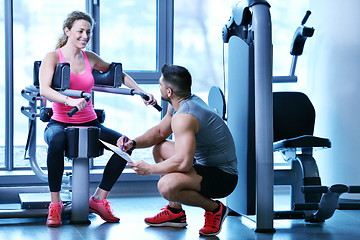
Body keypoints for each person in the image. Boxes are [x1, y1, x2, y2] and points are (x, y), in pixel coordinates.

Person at [39, 11, 157, 227]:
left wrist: (141, 92)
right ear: (67, 31)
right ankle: (55, 205)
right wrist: (69, 100)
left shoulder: (89, 57)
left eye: (88, 32)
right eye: (80, 31)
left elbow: (119, 75)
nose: (85, 36)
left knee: (126, 145)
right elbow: (45, 89)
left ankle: (99, 199)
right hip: (60, 122)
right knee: (56, 141)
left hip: (89, 122)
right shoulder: (53, 57)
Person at [118, 64, 238, 236]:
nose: (158, 87)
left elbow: (183, 162)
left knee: (166, 186)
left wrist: (149, 169)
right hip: (203, 164)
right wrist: (133, 143)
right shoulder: (180, 104)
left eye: (160, 85)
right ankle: (175, 214)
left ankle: (215, 209)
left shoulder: (185, 116)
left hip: (223, 177)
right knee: (160, 148)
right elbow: (160, 132)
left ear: (169, 92)